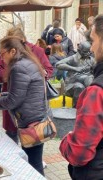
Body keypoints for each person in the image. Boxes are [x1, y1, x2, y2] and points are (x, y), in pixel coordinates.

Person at [0, 36, 47, 175]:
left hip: (30, 123)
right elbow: (20, 94)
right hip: (35, 118)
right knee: (34, 161)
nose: (1, 57)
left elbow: (14, 101)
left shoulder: (18, 67)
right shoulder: (27, 62)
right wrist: (0, 95)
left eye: (2, 53)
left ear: (12, 51)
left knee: (34, 164)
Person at [59, 14, 103, 179]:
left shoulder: (97, 92)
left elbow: (79, 153)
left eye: (94, 41)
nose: (92, 48)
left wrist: (65, 141)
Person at [0, 27, 53, 143]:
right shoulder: (7, 52)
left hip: (30, 107)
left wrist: (37, 74)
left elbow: (48, 70)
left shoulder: (37, 51)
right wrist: (8, 76)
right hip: (11, 97)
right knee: (11, 135)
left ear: (23, 40)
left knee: (32, 143)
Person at [56, 41, 95, 107]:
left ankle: (91, 107)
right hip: (73, 85)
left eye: (89, 51)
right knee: (79, 87)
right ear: (79, 50)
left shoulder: (91, 60)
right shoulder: (73, 58)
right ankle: (76, 109)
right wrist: (75, 68)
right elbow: (58, 64)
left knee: (90, 80)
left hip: (87, 83)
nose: (88, 53)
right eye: (85, 52)